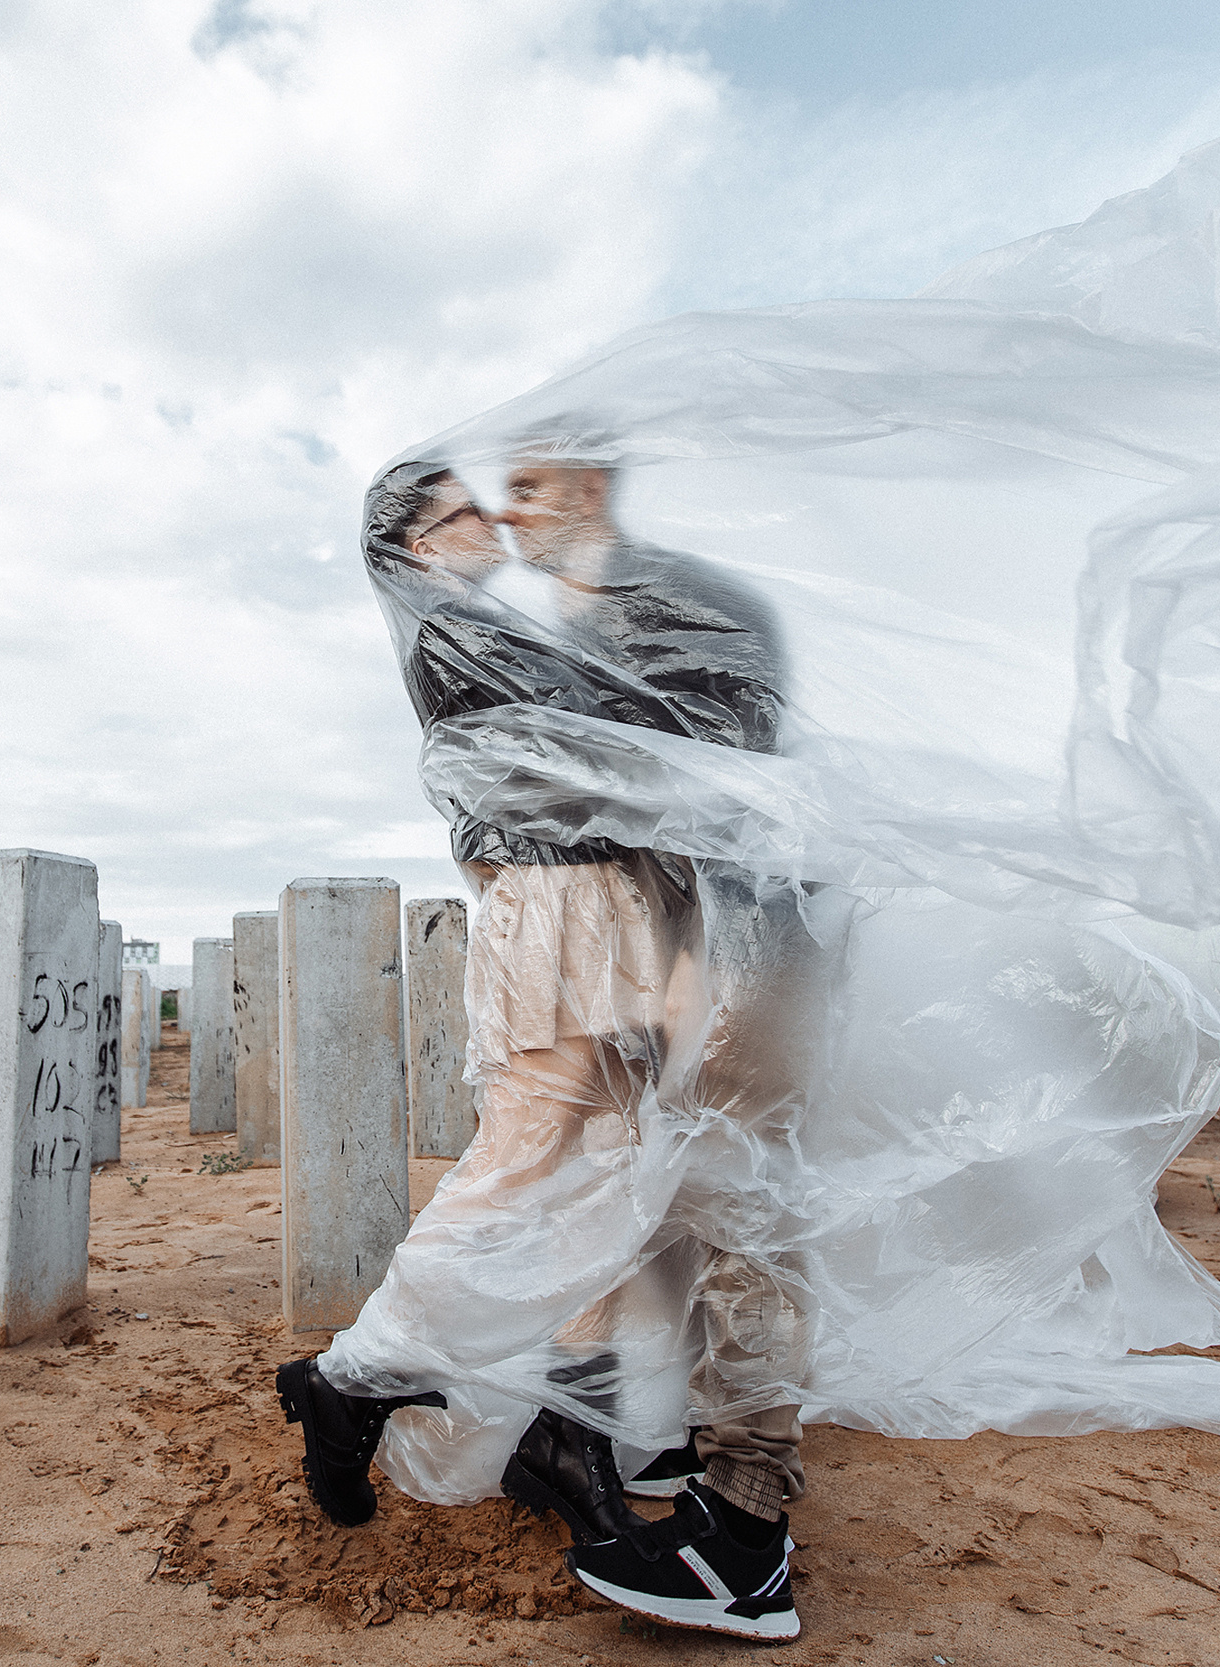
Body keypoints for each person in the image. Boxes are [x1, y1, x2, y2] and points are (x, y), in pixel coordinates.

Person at [276, 442, 817, 1641]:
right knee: (547, 1146)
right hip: (570, 915)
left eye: (510, 493)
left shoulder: (630, 603)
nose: (493, 521)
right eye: (465, 510)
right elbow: (604, 743)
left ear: (586, 480)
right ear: (410, 545)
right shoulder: (461, 628)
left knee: (636, 1169)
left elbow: (663, 734)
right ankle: (360, 1373)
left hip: (646, 916)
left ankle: (602, 1432)